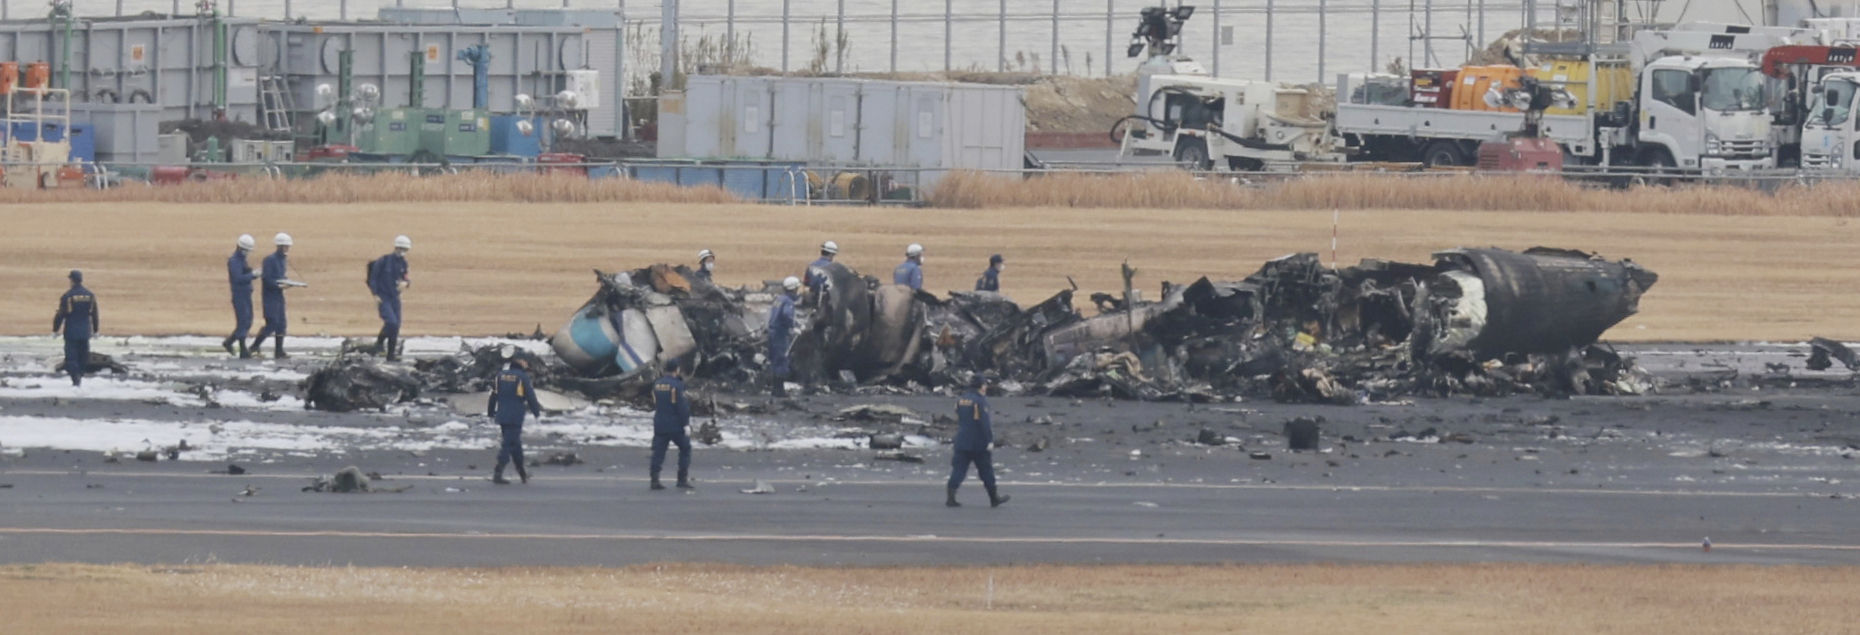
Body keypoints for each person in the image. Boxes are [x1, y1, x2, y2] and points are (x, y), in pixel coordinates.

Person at [947, 374, 1009, 508]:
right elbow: (984, 423)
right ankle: (994, 498)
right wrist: (989, 441)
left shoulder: (961, 399)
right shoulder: (980, 401)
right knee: (986, 470)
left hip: (962, 440)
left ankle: (950, 497)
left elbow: (958, 416)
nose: (986, 387)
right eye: (985, 384)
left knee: (958, 469)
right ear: (981, 386)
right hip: (978, 443)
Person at [485, 349, 542, 485]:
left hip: (502, 415)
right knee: (508, 444)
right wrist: (536, 411)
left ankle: (522, 473)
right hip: (515, 415)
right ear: (520, 362)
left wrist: (490, 411)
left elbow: (493, 395)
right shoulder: (522, 377)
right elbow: (530, 396)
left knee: (515, 444)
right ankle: (498, 472)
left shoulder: (500, 375)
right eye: (525, 362)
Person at [248, 233, 300, 359]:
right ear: (280, 246)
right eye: (286, 246)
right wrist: (279, 285)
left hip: (279, 296)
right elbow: (267, 279)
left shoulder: (283, 260)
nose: (287, 249)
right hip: (269, 296)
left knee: (282, 324)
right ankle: (254, 346)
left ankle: (279, 351)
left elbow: (281, 277)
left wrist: (286, 282)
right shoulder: (269, 260)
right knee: (272, 323)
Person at [650, 359, 695, 490]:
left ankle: (654, 479)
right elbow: (681, 406)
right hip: (675, 425)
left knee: (658, 452)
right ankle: (682, 479)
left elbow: (655, 403)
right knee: (685, 448)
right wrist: (686, 424)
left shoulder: (657, 384)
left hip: (660, 423)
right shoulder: (677, 385)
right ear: (677, 370)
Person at [52, 270, 98, 387]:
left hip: (71, 331)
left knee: (71, 357)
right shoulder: (90, 295)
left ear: (71, 280)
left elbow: (61, 314)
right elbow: (94, 314)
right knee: (83, 356)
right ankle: (80, 376)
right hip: (85, 331)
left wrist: (55, 329)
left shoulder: (68, 296)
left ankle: (75, 378)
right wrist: (96, 330)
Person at [369, 235, 412, 361]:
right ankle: (379, 343)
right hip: (383, 296)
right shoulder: (383, 261)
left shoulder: (403, 263)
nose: (402, 251)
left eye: (405, 249)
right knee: (391, 322)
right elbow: (373, 278)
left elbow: (406, 277)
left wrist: (406, 283)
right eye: (400, 248)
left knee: (396, 326)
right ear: (396, 247)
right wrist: (375, 294)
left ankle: (390, 355)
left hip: (395, 297)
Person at [223, 234, 259, 358]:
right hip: (239, 295)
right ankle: (243, 349)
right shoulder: (234, 261)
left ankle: (229, 342)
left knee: (247, 321)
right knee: (243, 321)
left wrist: (251, 272)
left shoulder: (241, 260)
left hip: (245, 293)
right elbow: (238, 278)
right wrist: (252, 275)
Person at [767, 276, 800, 398]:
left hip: (772, 332)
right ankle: (779, 391)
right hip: (780, 335)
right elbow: (786, 316)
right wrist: (793, 327)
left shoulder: (779, 299)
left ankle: (775, 389)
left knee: (775, 360)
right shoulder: (788, 302)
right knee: (782, 360)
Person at [804, 240, 838, 306]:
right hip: (827, 302)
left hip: (812, 300)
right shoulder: (833, 268)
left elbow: (806, 284)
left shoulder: (811, 266)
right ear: (831, 254)